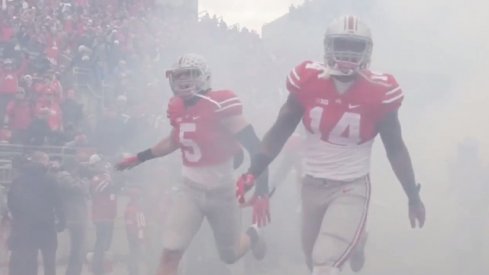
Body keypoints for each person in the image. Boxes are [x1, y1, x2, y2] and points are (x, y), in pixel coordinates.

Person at [235, 15, 426, 275]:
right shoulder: (307, 79)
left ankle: (355, 241)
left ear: (367, 51)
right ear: (328, 46)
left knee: (324, 262)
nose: (347, 53)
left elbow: (395, 148)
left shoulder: (380, 91)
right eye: (341, 44)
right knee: (312, 261)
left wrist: (412, 196)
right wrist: (253, 171)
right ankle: (356, 244)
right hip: (311, 186)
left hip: (350, 187)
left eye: (355, 46)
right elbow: (280, 130)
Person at [116, 53, 268, 275]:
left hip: (223, 192)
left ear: (204, 76)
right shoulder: (177, 107)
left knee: (229, 254)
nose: (184, 81)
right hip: (190, 191)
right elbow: (173, 141)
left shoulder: (219, 103)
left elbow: (256, 147)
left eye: (190, 74)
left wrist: (261, 189)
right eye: (179, 76)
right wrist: (140, 157)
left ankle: (253, 234)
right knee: (170, 252)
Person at [7, 151, 65, 275]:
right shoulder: (50, 179)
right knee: (49, 261)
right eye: (47, 160)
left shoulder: (19, 179)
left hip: (26, 227)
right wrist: (62, 221)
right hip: (46, 225)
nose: (49, 163)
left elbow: (11, 202)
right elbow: (59, 203)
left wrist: (19, 219)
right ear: (41, 162)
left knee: (29, 261)